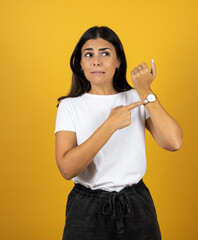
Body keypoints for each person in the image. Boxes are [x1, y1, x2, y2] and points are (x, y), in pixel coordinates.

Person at [54, 26, 183, 240]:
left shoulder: (136, 97)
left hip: (136, 207)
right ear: (81, 64)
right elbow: (67, 169)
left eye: (105, 53)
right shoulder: (70, 106)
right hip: (86, 211)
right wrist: (109, 125)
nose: (97, 61)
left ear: (118, 61)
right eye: (89, 55)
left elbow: (174, 141)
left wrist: (145, 91)